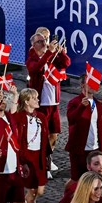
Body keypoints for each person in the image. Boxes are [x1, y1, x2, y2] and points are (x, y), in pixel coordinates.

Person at [26, 27, 69, 174]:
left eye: (44, 40)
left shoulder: (51, 55)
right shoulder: (31, 59)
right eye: (40, 41)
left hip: (54, 102)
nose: (44, 43)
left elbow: (66, 63)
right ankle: (42, 163)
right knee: (41, 134)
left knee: (54, 134)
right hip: (41, 103)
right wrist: (49, 52)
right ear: (33, 44)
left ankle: (48, 160)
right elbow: (36, 69)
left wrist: (61, 52)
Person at [12, 87, 49, 203]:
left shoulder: (41, 116)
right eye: (34, 98)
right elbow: (11, 117)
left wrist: (47, 157)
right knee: (32, 192)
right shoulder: (20, 117)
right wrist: (15, 95)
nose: (38, 100)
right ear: (26, 101)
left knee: (39, 191)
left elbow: (45, 138)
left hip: (39, 158)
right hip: (26, 158)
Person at [66, 78, 102, 181]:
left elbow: (100, 127)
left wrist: (101, 148)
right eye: (90, 83)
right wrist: (81, 107)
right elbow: (71, 119)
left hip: (95, 149)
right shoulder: (74, 102)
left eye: (95, 83)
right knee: (77, 180)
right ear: (82, 85)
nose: (93, 86)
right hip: (79, 150)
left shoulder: (98, 104)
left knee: (94, 180)